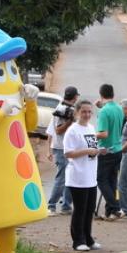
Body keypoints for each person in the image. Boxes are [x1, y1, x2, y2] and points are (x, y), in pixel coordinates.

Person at [63, 100, 105, 251]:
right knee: (80, 210)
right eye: (84, 112)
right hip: (77, 176)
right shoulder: (72, 131)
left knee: (89, 210)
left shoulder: (91, 128)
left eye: (89, 112)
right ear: (77, 112)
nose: (87, 115)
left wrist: (99, 151)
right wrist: (87, 151)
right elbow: (68, 153)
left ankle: (88, 238)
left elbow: (92, 148)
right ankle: (78, 240)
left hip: (90, 176)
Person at [46, 86, 78, 215]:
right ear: (75, 97)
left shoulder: (66, 109)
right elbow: (58, 130)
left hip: (69, 148)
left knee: (70, 177)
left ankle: (66, 206)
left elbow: (50, 131)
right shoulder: (61, 109)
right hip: (61, 148)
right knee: (62, 179)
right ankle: (51, 206)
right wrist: (70, 122)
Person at [95, 84, 124, 219]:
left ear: (101, 95)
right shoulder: (119, 108)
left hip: (106, 150)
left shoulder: (104, 112)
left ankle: (115, 207)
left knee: (101, 180)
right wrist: (101, 107)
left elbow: (104, 133)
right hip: (118, 149)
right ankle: (110, 211)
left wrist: (90, 135)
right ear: (113, 94)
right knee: (112, 180)